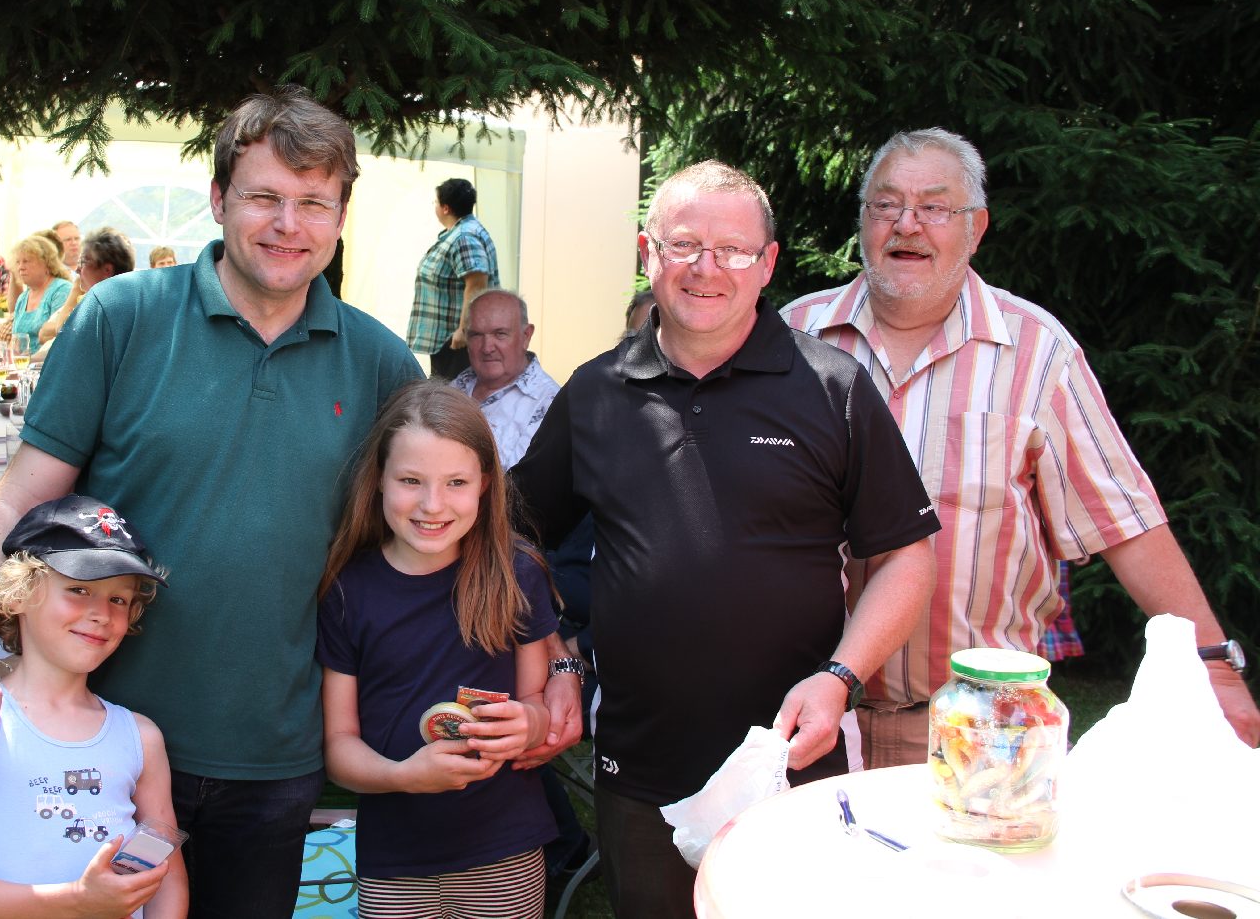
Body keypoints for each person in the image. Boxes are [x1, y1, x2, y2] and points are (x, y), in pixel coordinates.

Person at [0, 85, 450, 918]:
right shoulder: (121, 318)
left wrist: (551, 658)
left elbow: (441, 533)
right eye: (265, 197)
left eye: (314, 203)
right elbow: (15, 501)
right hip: (95, 737)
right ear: (218, 198)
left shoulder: (380, 362)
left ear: (341, 217)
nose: (288, 224)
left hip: (273, 752)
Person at [512, 160, 940, 918]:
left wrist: (840, 676)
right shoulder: (597, 393)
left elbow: (907, 554)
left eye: (733, 250)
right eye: (683, 244)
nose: (706, 268)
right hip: (640, 772)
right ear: (649, 253)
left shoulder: (832, 387)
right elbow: (512, 538)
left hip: (792, 768)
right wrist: (560, 654)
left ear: (767, 263)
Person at [783, 127, 1260, 762]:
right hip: (806, 721)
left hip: (982, 729)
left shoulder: (1038, 351)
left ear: (975, 228)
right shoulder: (790, 339)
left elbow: (1124, 521)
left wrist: (1214, 667)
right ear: (864, 219)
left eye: (933, 207)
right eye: (886, 204)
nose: (907, 224)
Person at [318, 380, 557, 917]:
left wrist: (529, 726)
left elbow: (537, 705)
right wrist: (403, 776)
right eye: (410, 480)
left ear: (484, 485)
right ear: (379, 478)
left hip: (506, 851)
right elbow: (339, 746)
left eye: (456, 483)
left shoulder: (517, 573)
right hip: (393, 860)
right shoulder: (347, 590)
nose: (432, 505)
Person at [0, 494, 186, 918]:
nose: (101, 613)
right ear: (18, 594)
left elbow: (166, 876)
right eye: (79, 589)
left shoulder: (141, 738)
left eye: (118, 599)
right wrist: (77, 901)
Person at [449, 289, 559, 470]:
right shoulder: (456, 387)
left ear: (526, 336)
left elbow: (521, 482)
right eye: (476, 335)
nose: (487, 348)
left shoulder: (548, 404)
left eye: (500, 334)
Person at [406, 177, 499, 379]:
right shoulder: (461, 232)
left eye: (436, 202)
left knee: (452, 395)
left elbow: (477, 283)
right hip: (448, 340)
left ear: (445, 208)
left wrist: (464, 329)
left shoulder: (464, 237)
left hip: (457, 342)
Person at [39, 227, 135, 345]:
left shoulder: (107, 311)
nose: (77, 270)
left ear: (107, 270)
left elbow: (64, 331)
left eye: (84, 262)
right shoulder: (125, 301)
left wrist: (75, 289)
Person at [1, 234, 72, 353]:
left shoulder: (61, 290)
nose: (20, 267)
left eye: (26, 261)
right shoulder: (23, 297)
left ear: (47, 263)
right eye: (18, 262)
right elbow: (15, 342)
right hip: (22, 362)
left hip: (46, 362)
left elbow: (61, 337)